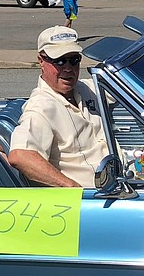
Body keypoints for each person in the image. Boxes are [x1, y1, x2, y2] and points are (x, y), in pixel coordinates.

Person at [7, 25, 107, 188]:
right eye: (59, 61)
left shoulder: (85, 88)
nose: (68, 68)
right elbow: (20, 155)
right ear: (41, 61)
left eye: (74, 60)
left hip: (122, 176)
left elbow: (124, 86)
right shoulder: (41, 107)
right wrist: (71, 188)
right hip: (93, 197)